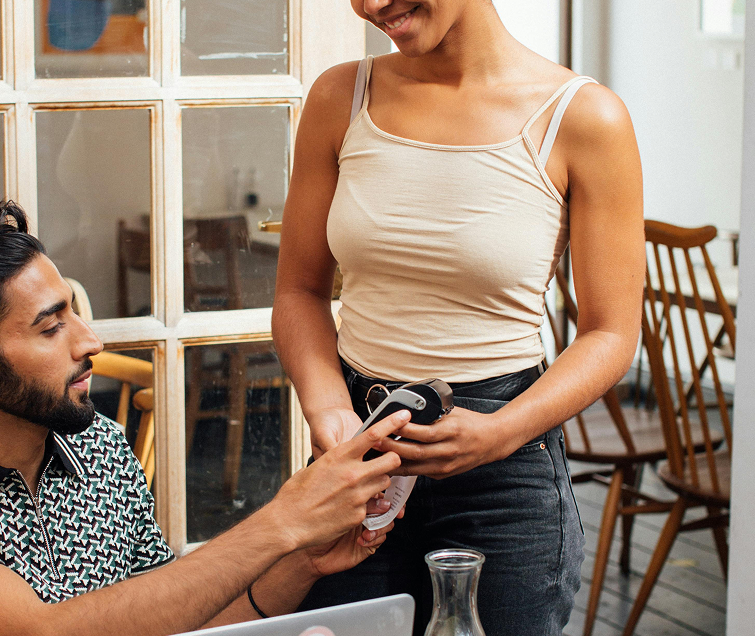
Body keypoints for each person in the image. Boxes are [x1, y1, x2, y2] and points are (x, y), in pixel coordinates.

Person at [0, 201, 410, 636]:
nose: (90, 340)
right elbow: (38, 634)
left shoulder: (98, 447)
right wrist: (283, 521)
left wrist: (303, 558)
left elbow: (175, 622)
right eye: (52, 327)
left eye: (75, 315)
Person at [271, 1, 645, 634]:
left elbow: (611, 334)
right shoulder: (340, 96)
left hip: (507, 468)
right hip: (361, 449)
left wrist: (501, 431)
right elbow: (299, 292)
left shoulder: (584, 117)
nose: (371, 5)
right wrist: (330, 410)